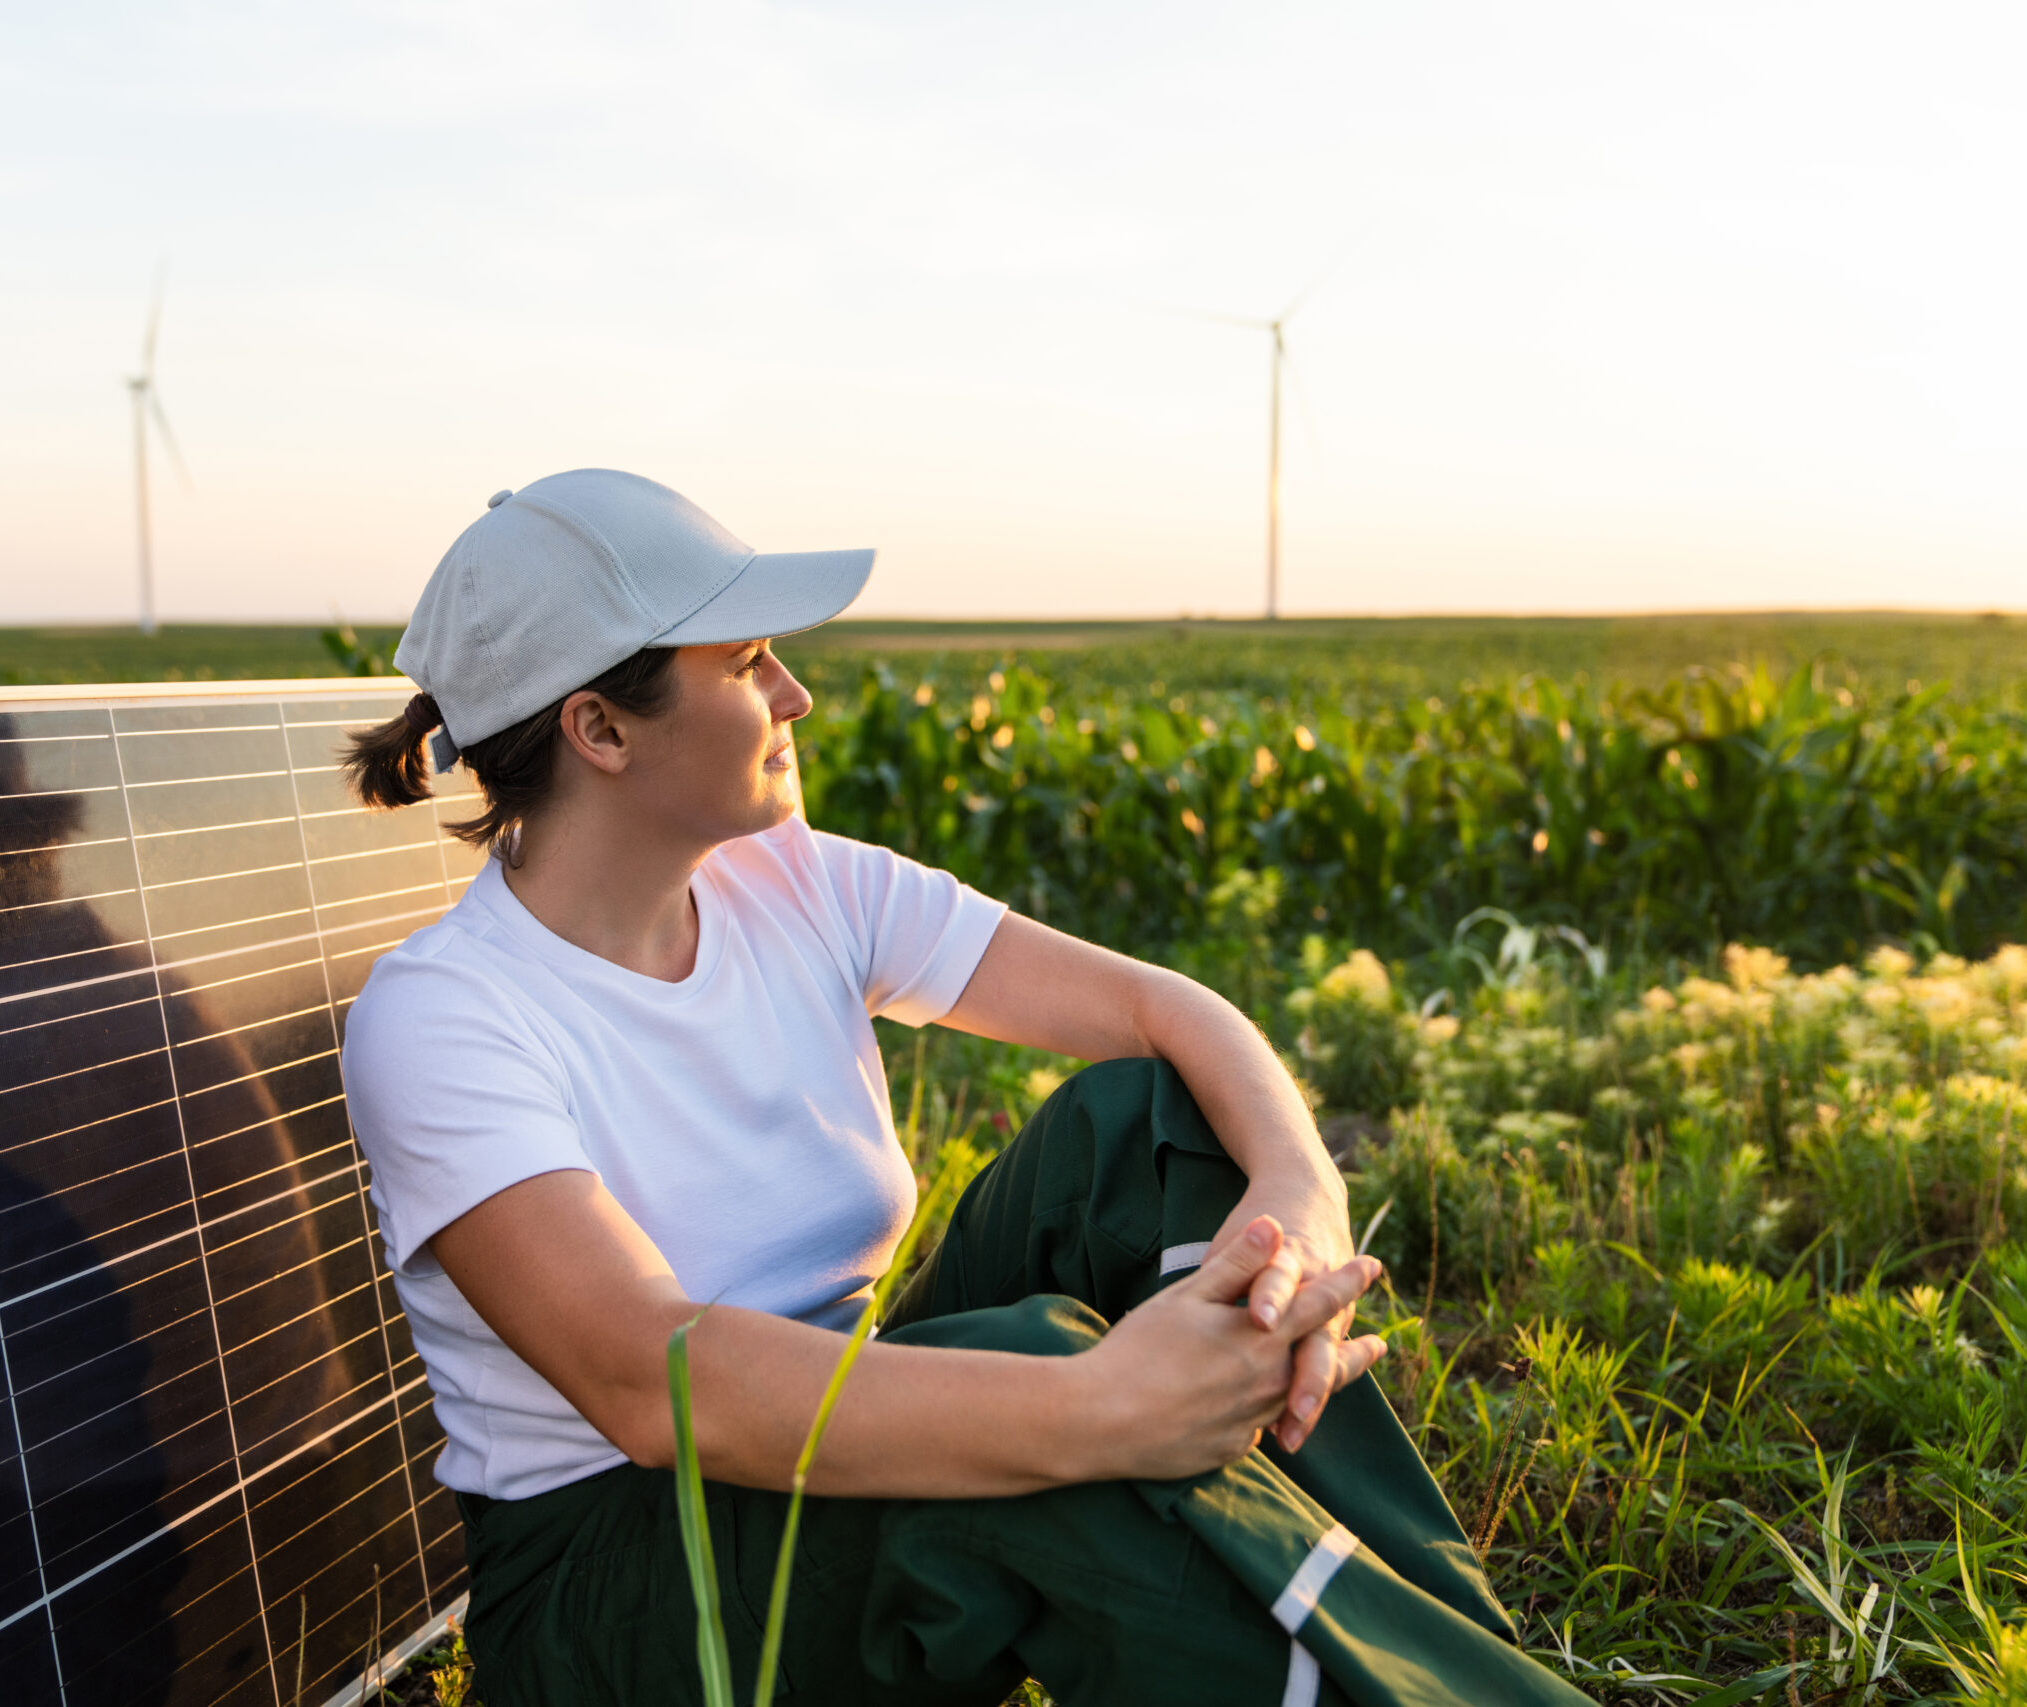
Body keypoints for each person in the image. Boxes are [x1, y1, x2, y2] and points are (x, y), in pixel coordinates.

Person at [337, 470, 1584, 1706]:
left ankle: (1464, 1667)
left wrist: (1300, 1195)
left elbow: (1163, 1012)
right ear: (600, 729)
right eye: (749, 662)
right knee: (1029, 1407)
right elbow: (653, 1381)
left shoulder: (795, 884)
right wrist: (1093, 1403)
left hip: (811, 1458)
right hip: (620, 1594)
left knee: (1138, 1126)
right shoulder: (447, 1016)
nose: (795, 694)